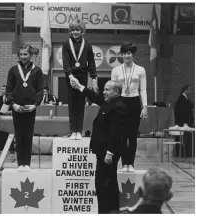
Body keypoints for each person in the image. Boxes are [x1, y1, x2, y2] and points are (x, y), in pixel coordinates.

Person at [71, 79, 126, 214]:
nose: (104, 92)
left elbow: (116, 132)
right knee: (105, 184)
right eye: (104, 89)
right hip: (102, 151)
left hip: (108, 152)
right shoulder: (109, 103)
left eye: (107, 90)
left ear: (116, 92)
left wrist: (110, 152)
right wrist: (79, 86)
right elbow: (94, 96)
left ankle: (107, 212)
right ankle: (108, 211)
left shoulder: (118, 106)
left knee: (105, 185)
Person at [6, 44, 43, 172]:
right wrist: (13, 104)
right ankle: (19, 164)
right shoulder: (13, 70)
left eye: (25, 54)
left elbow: (40, 90)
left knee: (28, 136)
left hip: (30, 107)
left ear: (30, 55)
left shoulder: (37, 70)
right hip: (17, 107)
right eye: (21, 54)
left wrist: (35, 105)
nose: (23, 56)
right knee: (19, 135)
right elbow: (9, 89)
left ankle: (26, 163)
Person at [111, 42, 148, 172]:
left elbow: (143, 90)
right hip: (120, 102)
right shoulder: (115, 70)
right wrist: (113, 106)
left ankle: (130, 163)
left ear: (133, 55)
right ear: (121, 55)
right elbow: (113, 90)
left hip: (134, 102)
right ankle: (124, 163)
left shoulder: (140, 70)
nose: (127, 56)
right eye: (124, 53)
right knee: (121, 135)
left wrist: (145, 106)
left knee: (132, 135)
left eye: (129, 53)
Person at [62, 19, 98, 140]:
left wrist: (93, 78)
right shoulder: (66, 44)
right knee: (72, 104)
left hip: (82, 75)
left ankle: (79, 131)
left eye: (77, 29)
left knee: (80, 104)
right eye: (73, 30)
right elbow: (66, 62)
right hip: (71, 76)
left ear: (82, 31)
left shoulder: (87, 45)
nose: (75, 32)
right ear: (70, 31)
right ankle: (73, 131)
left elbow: (91, 62)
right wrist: (70, 76)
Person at [174, 85, 194, 157]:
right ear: (185, 90)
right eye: (189, 89)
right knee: (183, 139)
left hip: (188, 122)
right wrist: (185, 122)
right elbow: (182, 111)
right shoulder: (181, 100)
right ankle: (183, 154)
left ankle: (188, 154)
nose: (190, 91)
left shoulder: (186, 99)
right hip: (183, 123)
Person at [0, 85, 11, 154]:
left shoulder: (10, 98)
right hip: (0, 118)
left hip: (9, 118)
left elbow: (13, 108)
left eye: (3, 89)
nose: (2, 91)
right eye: (1, 89)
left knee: (9, 134)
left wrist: (10, 112)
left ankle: (10, 149)